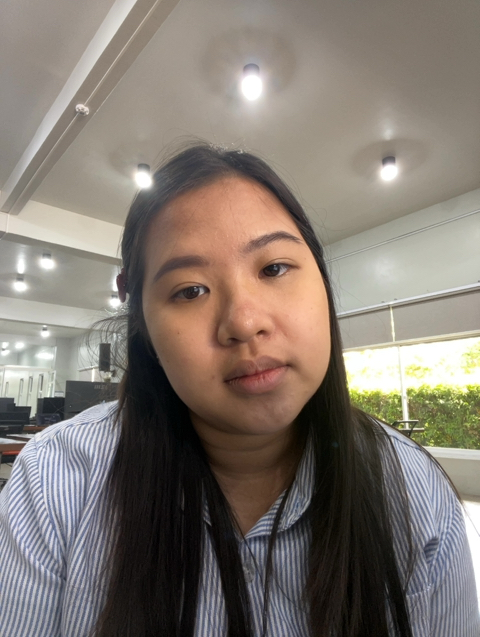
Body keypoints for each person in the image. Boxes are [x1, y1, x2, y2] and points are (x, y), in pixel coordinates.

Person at [0, 144, 478, 637]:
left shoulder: (412, 489)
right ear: (143, 324)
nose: (245, 323)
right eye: (190, 290)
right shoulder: (55, 480)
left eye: (274, 268)